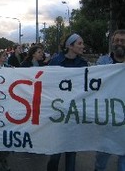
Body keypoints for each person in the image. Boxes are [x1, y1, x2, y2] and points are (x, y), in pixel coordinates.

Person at [47, 33, 88, 171]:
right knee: (55, 153)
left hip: (75, 113)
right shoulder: (55, 62)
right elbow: (48, 85)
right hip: (57, 113)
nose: (83, 46)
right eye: (80, 43)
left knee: (72, 150)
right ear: (70, 46)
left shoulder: (83, 64)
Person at [94, 29, 125, 171]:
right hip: (108, 115)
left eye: (123, 41)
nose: (120, 43)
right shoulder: (102, 62)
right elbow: (94, 85)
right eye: (117, 40)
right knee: (102, 156)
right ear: (112, 43)